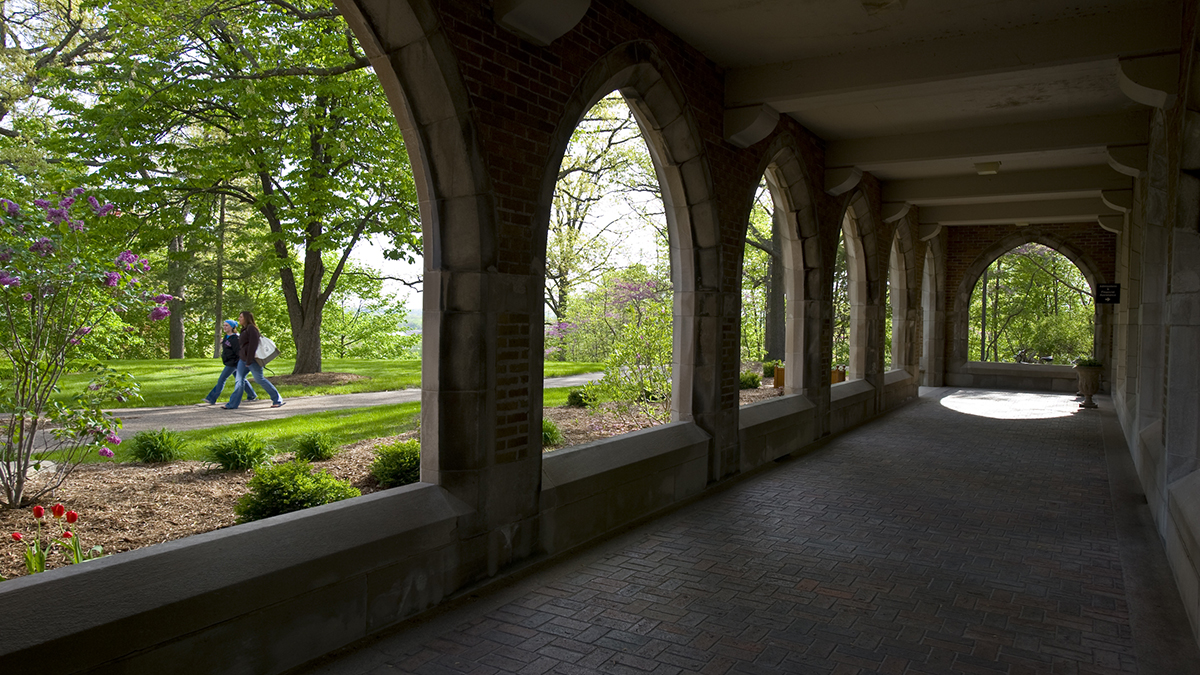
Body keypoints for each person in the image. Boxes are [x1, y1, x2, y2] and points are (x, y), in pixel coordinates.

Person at [222, 311, 284, 409]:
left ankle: (277, 399)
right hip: (243, 360)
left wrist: (249, 360)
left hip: (252, 360)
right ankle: (232, 404)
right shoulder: (244, 329)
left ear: (246, 318)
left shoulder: (251, 329)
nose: (239, 319)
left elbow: (253, 345)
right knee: (239, 380)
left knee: (259, 379)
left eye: (241, 317)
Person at [201, 319, 258, 405]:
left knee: (222, 379)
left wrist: (235, 362)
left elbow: (238, 352)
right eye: (224, 325)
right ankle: (252, 395)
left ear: (232, 327)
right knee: (241, 379)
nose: (224, 327)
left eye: (227, 325)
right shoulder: (226, 337)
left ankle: (211, 398)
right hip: (229, 362)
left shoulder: (235, 338)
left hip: (233, 363)